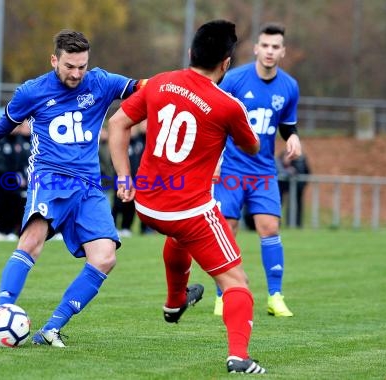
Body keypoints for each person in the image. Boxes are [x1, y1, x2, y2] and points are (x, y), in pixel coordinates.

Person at [0, 29, 146, 347]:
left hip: (90, 186)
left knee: (105, 258)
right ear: (54, 60)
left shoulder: (101, 82)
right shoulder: (32, 91)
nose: (77, 73)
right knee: (32, 241)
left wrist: (180, 87)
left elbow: (142, 88)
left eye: (82, 66)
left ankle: (51, 329)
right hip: (50, 178)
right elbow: (0, 128)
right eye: (69, 66)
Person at [108, 20, 266, 374]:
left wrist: (123, 177)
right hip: (189, 210)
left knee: (179, 237)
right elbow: (253, 147)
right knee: (237, 282)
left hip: (146, 205)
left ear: (191, 53)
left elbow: (117, 123)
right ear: (226, 63)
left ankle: (175, 303)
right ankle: (239, 356)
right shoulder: (228, 105)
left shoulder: (160, 81)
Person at [212, 23, 302, 317]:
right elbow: (214, 116)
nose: (270, 51)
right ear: (256, 48)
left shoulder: (289, 86)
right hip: (231, 170)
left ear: (282, 51)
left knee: (270, 228)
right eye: (265, 46)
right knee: (228, 230)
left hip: (263, 171)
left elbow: (287, 124)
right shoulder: (234, 79)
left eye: (276, 47)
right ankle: (222, 295)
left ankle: (275, 297)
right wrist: (214, 158)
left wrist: (293, 137)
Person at [0, 121, 30, 241]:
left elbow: (18, 162)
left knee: (8, 205)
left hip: (8, 182)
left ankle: (7, 231)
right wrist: (9, 174)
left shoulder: (16, 141)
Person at [111, 121, 146, 237]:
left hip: (138, 178)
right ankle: (113, 226)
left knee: (131, 204)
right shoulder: (122, 143)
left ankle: (126, 227)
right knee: (118, 202)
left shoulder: (140, 141)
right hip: (123, 177)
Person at [277, 150, 310, 228]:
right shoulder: (278, 162)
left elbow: (307, 171)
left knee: (296, 206)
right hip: (279, 187)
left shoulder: (299, 160)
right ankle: (278, 224)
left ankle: (296, 224)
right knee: (278, 206)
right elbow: (280, 171)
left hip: (295, 188)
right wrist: (289, 172)